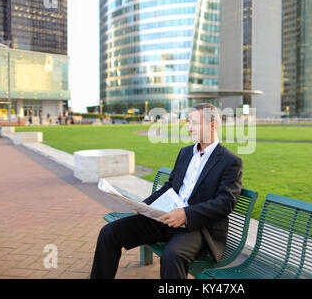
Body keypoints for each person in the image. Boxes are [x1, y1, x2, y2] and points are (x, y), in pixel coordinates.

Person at [90, 103, 243, 279]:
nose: (188, 129)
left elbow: (225, 202)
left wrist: (186, 214)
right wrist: (145, 205)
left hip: (196, 228)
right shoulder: (185, 153)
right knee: (109, 233)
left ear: (212, 125)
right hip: (165, 218)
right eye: (188, 123)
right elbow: (170, 185)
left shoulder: (230, 161)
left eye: (194, 123)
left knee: (172, 256)